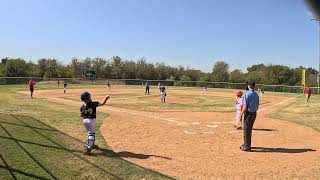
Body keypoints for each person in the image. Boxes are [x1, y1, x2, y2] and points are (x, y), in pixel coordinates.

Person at [240, 81, 259, 152]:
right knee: (249, 129)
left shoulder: (247, 94)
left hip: (249, 114)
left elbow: (245, 106)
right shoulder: (256, 94)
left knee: (246, 130)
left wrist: (241, 114)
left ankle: (247, 146)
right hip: (254, 113)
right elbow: (257, 105)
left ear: (248, 86)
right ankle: (246, 143)